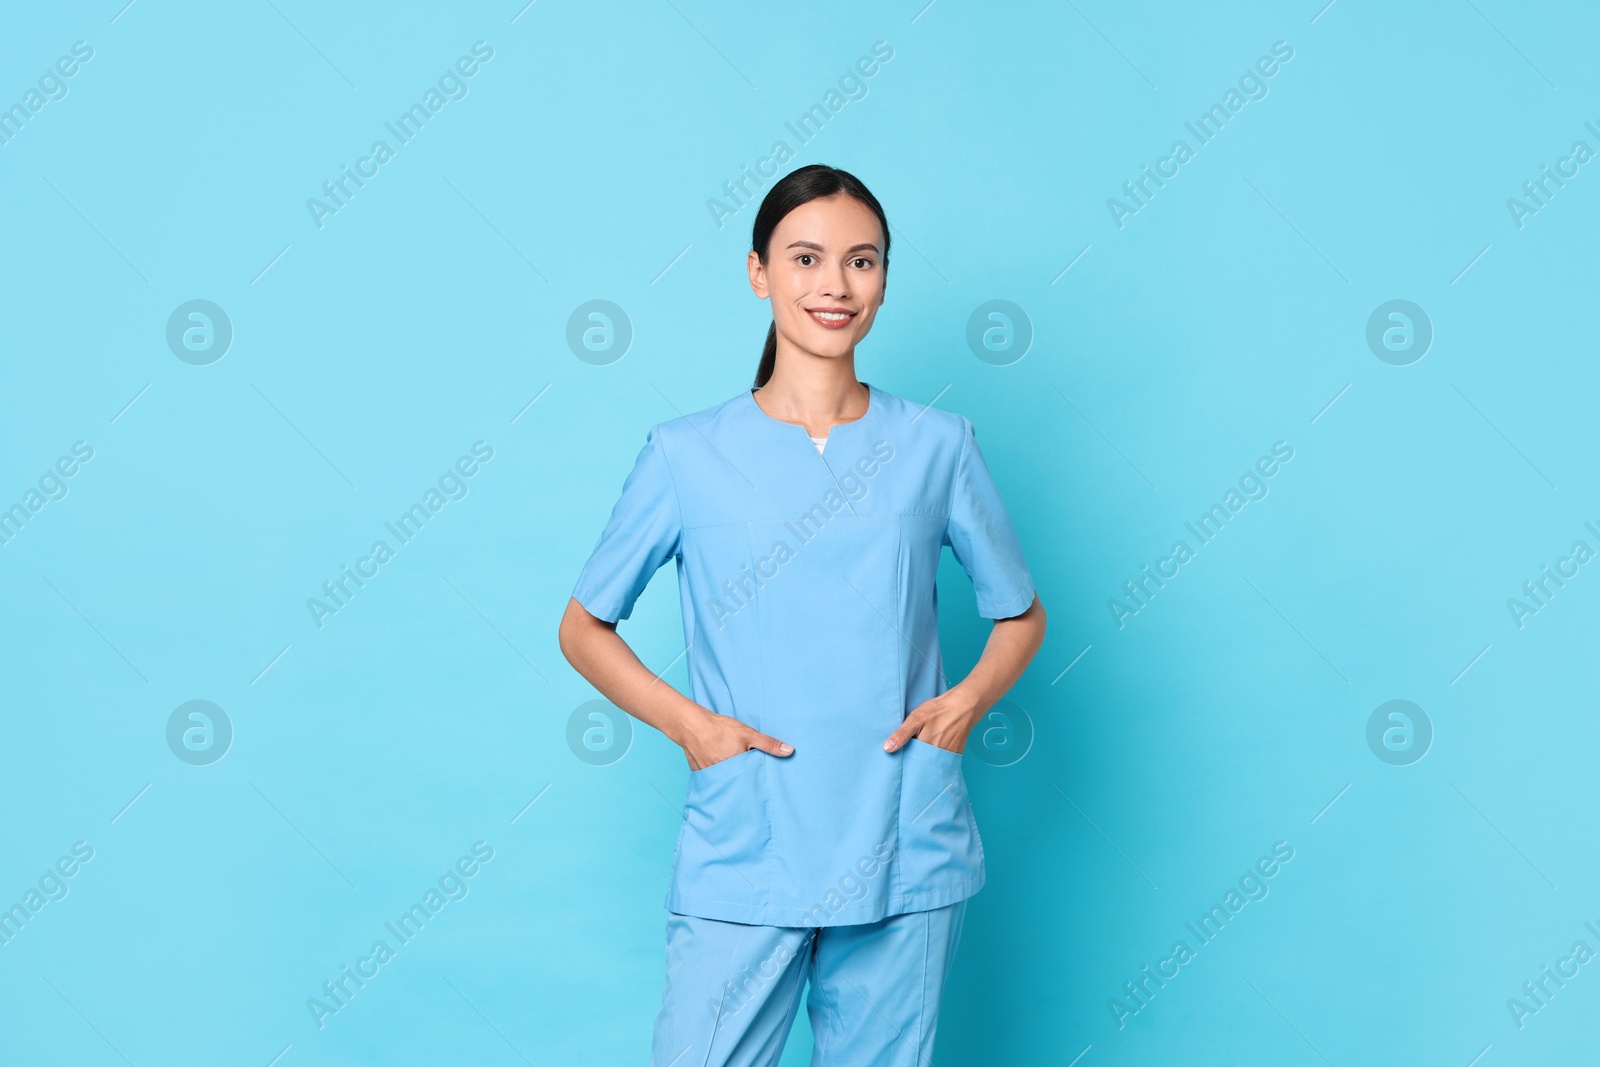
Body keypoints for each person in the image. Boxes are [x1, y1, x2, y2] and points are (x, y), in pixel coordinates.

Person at [558, 164, 1046, 1066]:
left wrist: (966, 704)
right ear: (758, 273)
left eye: (861, 262)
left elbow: (1019, 613)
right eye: (807, 258)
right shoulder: (685, 455)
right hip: (751, 837)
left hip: (904, 834)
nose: (834, 285)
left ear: (885, 282)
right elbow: (583, 626)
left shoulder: (939, 446)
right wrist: (692, 727)